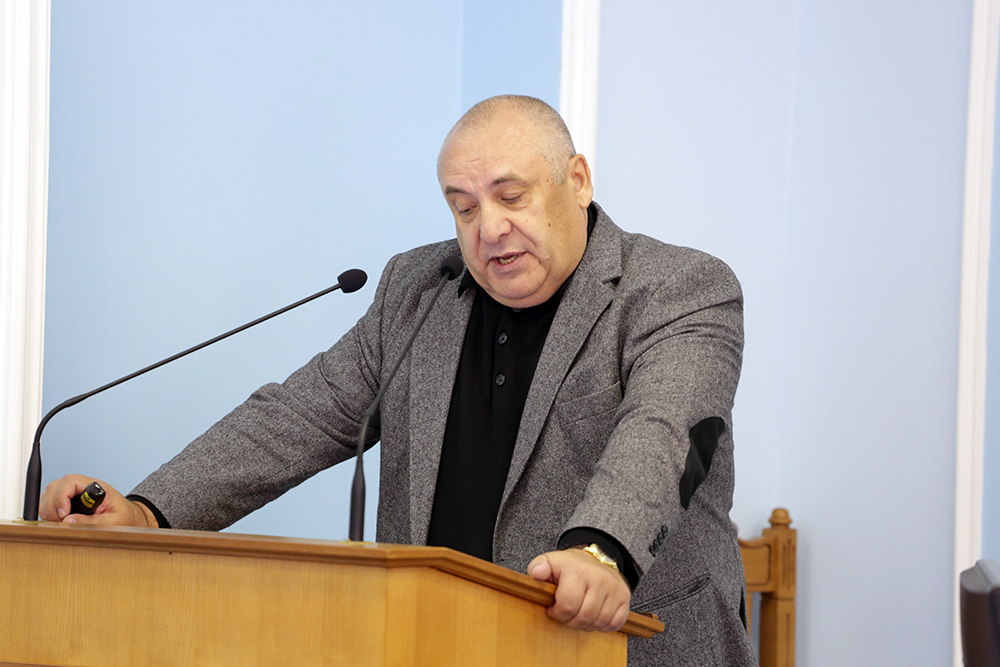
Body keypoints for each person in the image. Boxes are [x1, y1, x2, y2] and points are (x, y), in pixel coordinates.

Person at [41, 95, 754, 665]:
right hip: (435, 644)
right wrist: (148, 511)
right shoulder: (418, 288)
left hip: (621, 647)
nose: (488, 229)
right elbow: (299, 417)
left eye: (511, 196)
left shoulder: (679, 288)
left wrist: (601, 551)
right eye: (464, 206)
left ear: (577, 181)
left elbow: (666, 430)